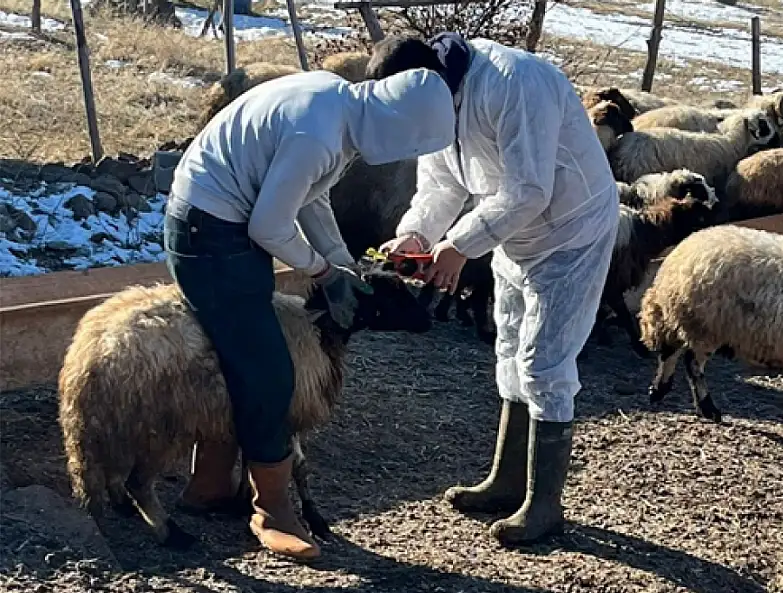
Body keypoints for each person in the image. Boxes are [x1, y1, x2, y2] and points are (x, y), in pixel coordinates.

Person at [165, 67, 456, 561]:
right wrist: (323, 272)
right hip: (211, 231)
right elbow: (270, 226)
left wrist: (342, 261)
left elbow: (310, 197)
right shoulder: (316, 133)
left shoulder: (336, 107)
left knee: (238, 355)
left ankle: (209, 486)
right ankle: (272, 508)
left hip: (219, 223)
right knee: (268, 369)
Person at [373, 32, 620, 546]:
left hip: (570, 228)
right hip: (511, 232)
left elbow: (531, 188)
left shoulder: (513, 83)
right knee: (509, 351)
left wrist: (461, 243)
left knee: (544, 362)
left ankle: (545, 504)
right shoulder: (435, 101)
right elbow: (442, 184)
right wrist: (416, 234)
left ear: (432, 84)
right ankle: (507, 482)